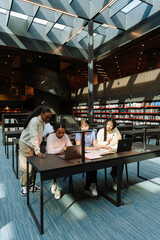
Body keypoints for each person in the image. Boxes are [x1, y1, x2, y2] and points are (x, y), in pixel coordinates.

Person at [19, 106, 53, 196]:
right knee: (27, 167)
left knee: (34, 166)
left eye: (49, 117)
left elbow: (39, 135)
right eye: (46, 117)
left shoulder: (42, 122)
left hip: (33, 145)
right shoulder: (34, 121)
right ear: (41, 114)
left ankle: (31, 185)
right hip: (26, 144)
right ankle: (23, 186)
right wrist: (37, 151)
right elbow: (33, 137)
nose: (48, 119)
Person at [46, 123, 72, 199]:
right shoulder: (51, 137)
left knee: (69, 167)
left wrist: (69, 148)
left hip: (62, 155)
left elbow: (69, 146)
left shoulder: (66, 136)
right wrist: (62, 149)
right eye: (59, 132)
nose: (61, 134)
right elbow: (50, 151)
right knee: (59, 167)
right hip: (50, 156)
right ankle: (56, 184)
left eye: (63, 132)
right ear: (55, 131)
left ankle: (58, 187)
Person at [75, 119, 100, 197]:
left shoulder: (92, 132)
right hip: (80, 153)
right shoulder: (78, 133)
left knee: (94, 164)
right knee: (90, 165)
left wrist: (99, 147)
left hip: (89, 152)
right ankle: (91, 185)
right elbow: (79, 146)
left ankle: (90, 185)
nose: (84, 128)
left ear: (89, 126)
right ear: (80, 127)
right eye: (82, 127)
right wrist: (93, 148)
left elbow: (95, 143)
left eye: (86, 126)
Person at [97, 117, 122, 190]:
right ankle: (115, 177)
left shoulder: (115, 130)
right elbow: (98, 144)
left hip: (114, 150)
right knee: (116, 159)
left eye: (111, 125)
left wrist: (119, 141)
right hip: (103, 151)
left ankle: (116, 179)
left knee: (121, 159)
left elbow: (119, 139)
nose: (109, 126)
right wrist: (106, 142)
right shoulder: (101, 131)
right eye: (108, 124)